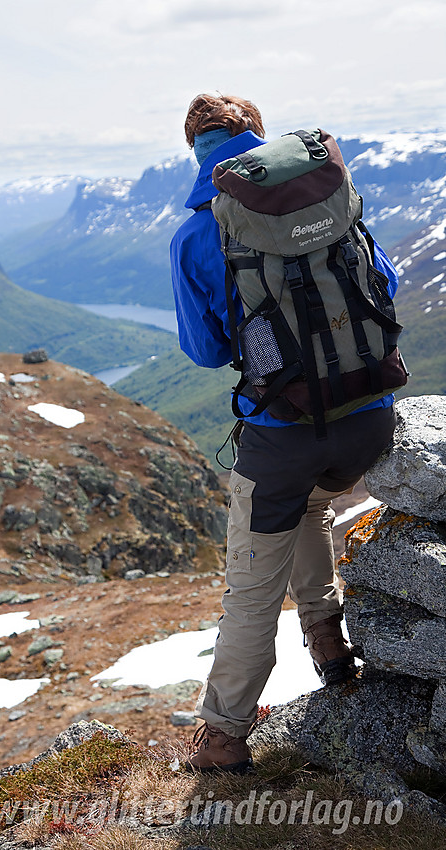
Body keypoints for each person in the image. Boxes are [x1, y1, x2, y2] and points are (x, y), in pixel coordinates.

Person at [170, 93, 398, 773]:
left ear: (195, 152)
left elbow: (206, 352)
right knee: (308, 501)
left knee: (248, 597)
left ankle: (221, 738)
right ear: (260, 137)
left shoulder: (195, 233)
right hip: (368, 419)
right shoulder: (330, 198)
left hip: (283, 434)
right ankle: (327, 645)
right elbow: (381, 283)